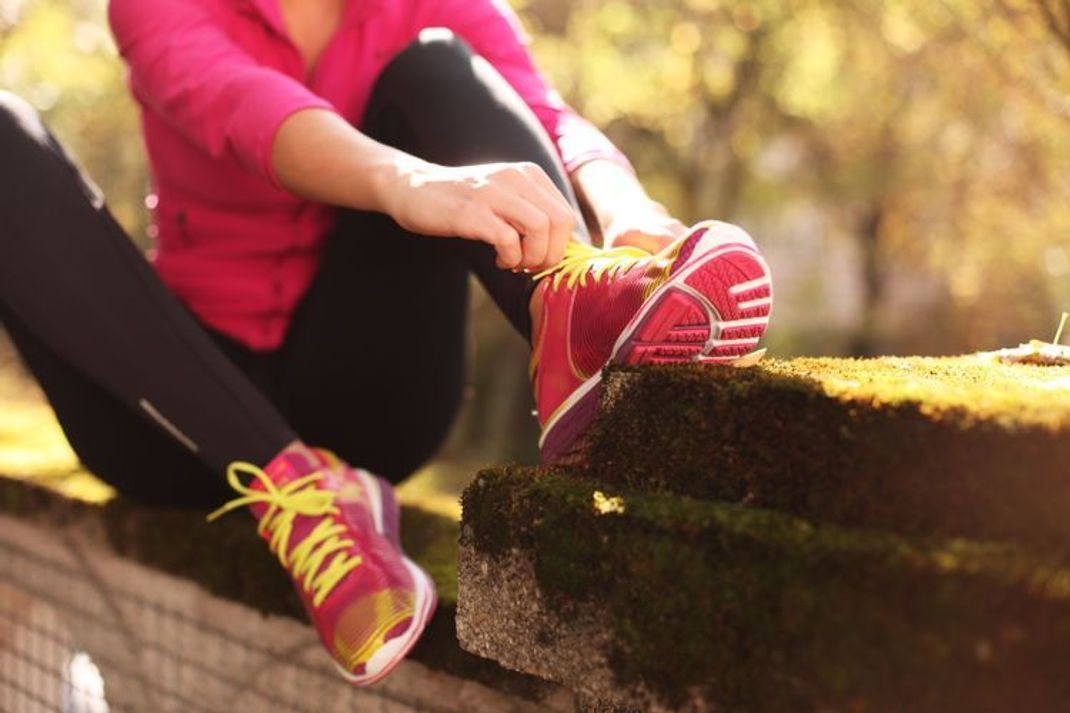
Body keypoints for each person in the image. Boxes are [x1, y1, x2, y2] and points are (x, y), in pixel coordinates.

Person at [0, 0, 773, 685]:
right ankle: (296, 489)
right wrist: (411, 184)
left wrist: (626, 209)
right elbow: (243, 107)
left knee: (439, 62)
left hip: (368, 396)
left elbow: (540, 110)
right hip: (177, 427)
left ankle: (574, 310)